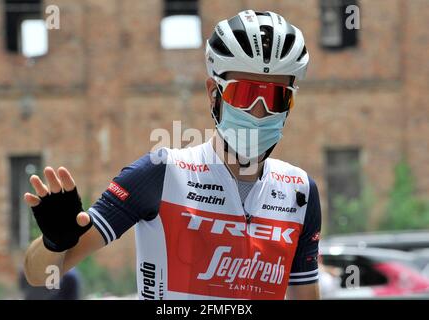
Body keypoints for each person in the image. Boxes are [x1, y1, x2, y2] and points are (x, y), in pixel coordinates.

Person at [23, 10, 321, 300]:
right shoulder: (160, 173)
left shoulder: (300, 191)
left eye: (275, 97)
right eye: (244, 94)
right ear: (213, 94)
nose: (259, 111)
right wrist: (54, 242)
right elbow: (40, 276)